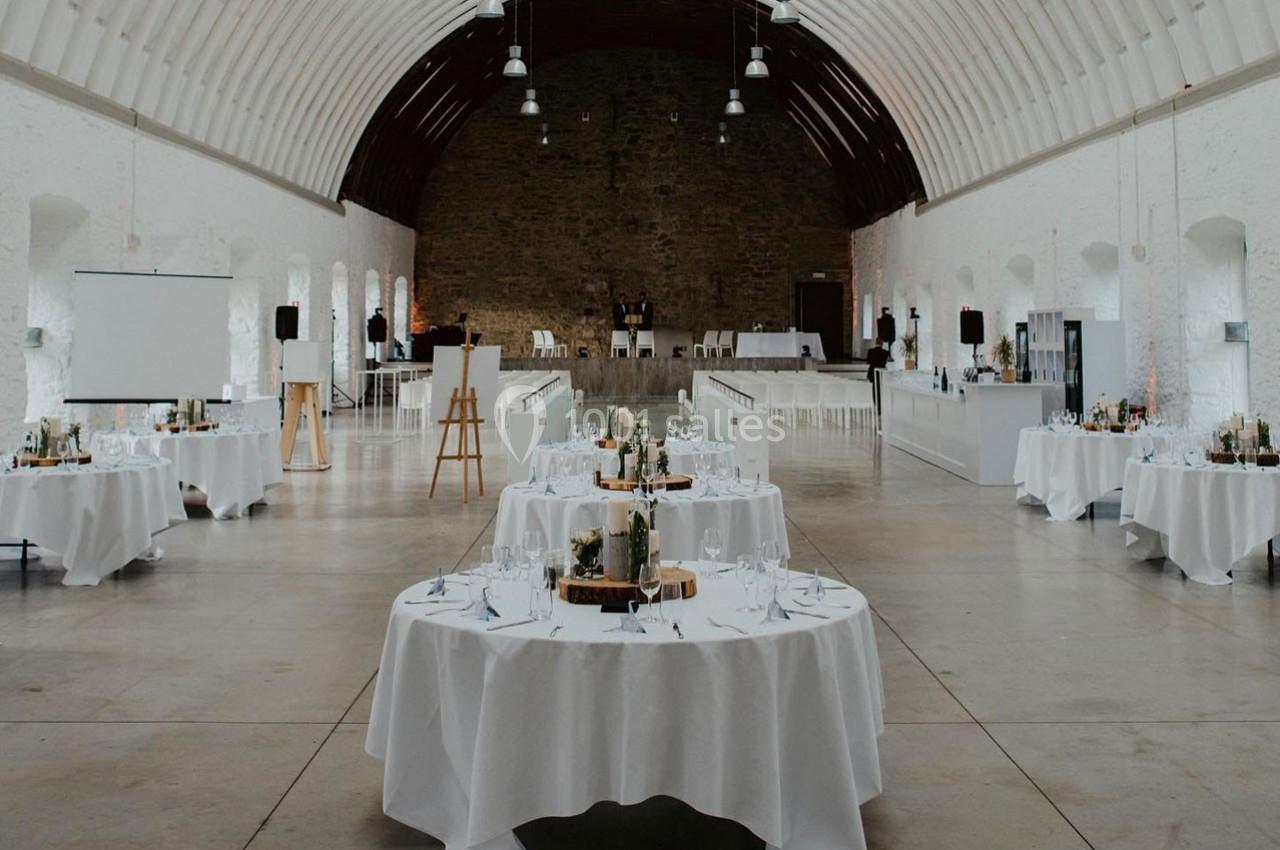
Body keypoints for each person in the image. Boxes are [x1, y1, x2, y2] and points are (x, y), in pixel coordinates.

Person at [866, 337, 890, 415]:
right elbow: (885, 362)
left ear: (875, 342)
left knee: (874, 390)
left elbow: (868, 361)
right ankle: (880, 406)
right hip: (881, 373)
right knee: (880, 390)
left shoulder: (870, 351)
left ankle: (876, 405)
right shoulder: (886, 352)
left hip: (872, 373)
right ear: (882, 343)